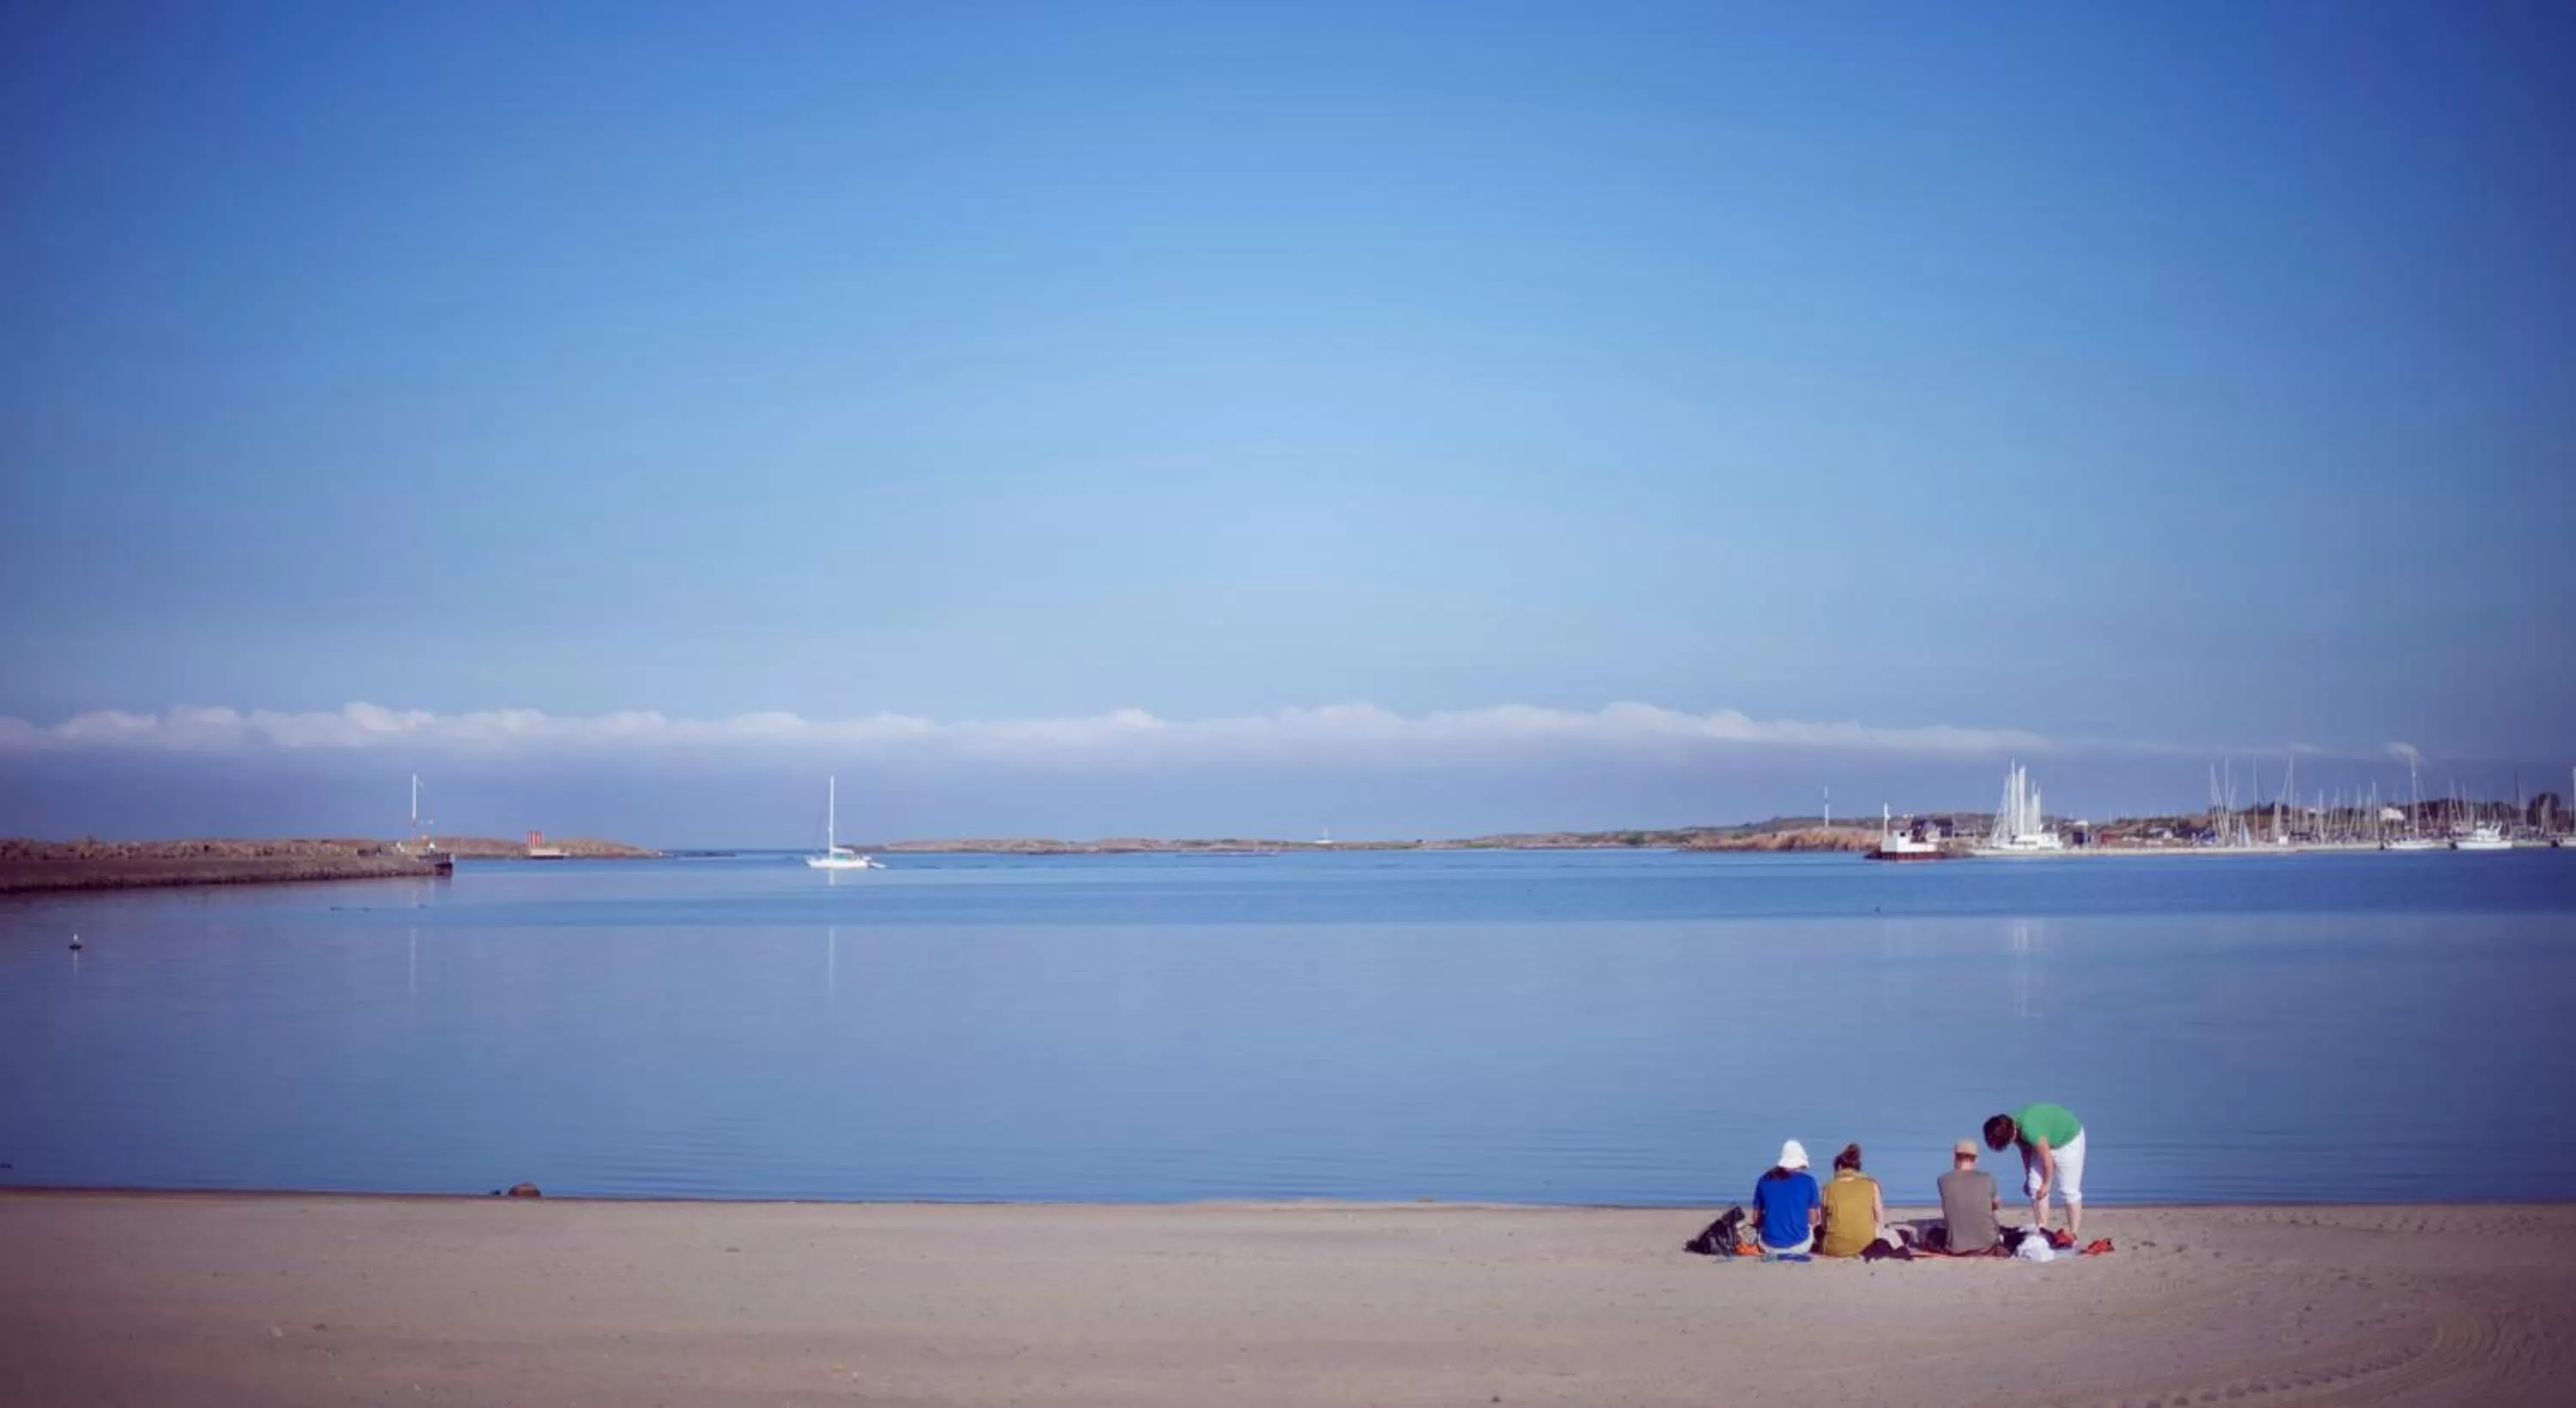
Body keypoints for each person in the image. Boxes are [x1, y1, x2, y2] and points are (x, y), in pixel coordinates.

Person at [1985, 1102, 2086, 1240]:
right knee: (2034, 1186)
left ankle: (2074, 1233)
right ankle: (2042, 1229)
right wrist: (2027, 1177)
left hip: (2068, 1141)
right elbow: (2025, 1152)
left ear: (2011, 1133)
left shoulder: (2029, 1130)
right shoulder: (2009, 1128)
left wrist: (2047, 1183)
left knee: (2068, 1190)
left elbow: (2047, 1160)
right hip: (2045, 1140)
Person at [1752, 1139, 1822, 1255]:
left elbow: (1755, 1218)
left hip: (1768, 1246)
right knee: (1811, 1226)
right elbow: (1813, 1220)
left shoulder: (1764, 1180)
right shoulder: (1809, 1182)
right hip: (1800, 1246)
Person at [1816, 1143, 1886, 1258]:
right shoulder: (1871, 1184)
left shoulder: (1828, 1186)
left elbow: (1824, 1224)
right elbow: (1880, 1218)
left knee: (1818, 1231)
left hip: (1834, 1248)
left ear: (1839, 1167)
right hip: (1866, 1245)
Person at [1937, 1138, 2002, 1253]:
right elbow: (1996, 1205)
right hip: (1988, 1245)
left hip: (1956, 1248)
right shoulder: (1987, 1178)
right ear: (1976, 1159)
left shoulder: (1943, 1180)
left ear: (1954, 1157)